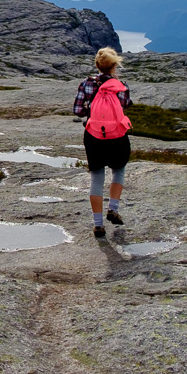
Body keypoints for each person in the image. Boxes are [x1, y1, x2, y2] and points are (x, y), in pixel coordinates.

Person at [72, 47, 132, 239]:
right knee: (119, 170)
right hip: (116, 135)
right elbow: (125, 106)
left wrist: (92, 109)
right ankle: (113, 208)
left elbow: (78, 110)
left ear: (97, 65)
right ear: (114, 66)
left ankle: (98, 225)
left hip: (94, 136)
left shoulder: (86, 84)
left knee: (97, 179)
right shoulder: (120, 86)